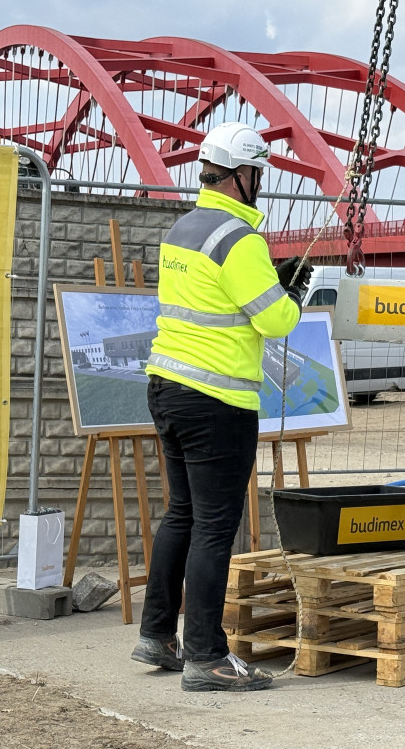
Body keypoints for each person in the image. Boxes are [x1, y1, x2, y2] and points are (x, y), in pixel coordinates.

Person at [130, 121, 311, 692]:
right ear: (239, 176)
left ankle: (157, 635)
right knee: (214, 527)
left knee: (181, 515)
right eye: (256, 173)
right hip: (218, 400)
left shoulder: (184, 228)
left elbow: (217, 299)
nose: (260, 184)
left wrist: (268, 287)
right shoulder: (240, 238)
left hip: (168, 387)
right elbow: (275, 319)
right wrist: (291, 292)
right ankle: (206, 656)